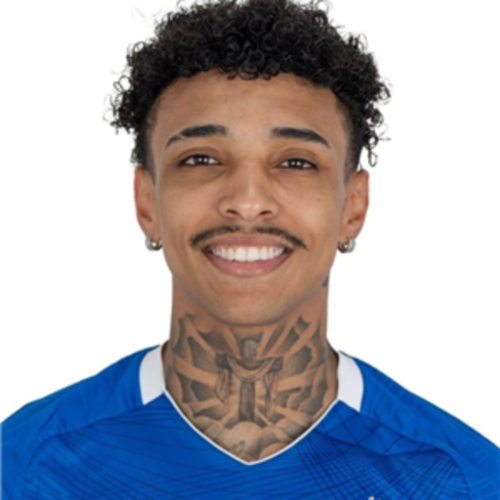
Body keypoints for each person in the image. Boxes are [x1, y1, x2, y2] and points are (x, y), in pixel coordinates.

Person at [1, 0, 498, 498]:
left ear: (353, 206)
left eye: (296, 162)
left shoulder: (460, 480)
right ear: (147, 202)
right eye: (201, 159)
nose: (247, 201)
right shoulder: (26, 467)